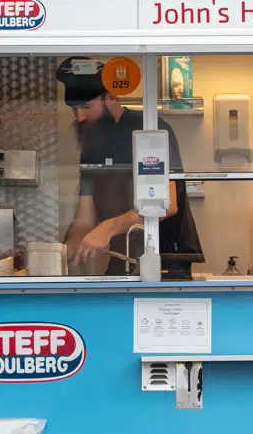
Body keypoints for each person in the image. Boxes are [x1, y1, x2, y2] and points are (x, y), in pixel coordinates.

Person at [57, 57, 203, 278]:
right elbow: (85, 220)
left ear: (111, 97)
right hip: (122, 259)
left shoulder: (149, 129)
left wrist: (108, 227)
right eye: (74, 109)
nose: (79, 117)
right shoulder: (91, 146)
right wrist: (54, 256)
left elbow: (168, 204)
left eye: (86, 107)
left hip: (166, 262)